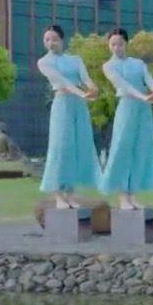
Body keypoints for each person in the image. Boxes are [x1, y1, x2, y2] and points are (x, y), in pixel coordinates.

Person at [98, 28, 153, 210]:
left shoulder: (138, 63)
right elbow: (123, 85)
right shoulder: (108, 66)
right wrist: (144, 97)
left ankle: (132, 195)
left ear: (126, 43)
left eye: (120, 44)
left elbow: (148, 80)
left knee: (140, 149)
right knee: (123, 149)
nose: (116, 47)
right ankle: (123, 197)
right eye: (113, 44)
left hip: (143, 110)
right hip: (127, 106)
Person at [36, 24, 101, 209]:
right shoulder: (44, 62)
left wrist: (92, 88)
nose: (51, 43)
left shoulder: (75, 60)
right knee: (61, 147)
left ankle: (70, 194)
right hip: (62, 103)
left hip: (79, 106)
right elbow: (62, 82)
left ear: (62, 40)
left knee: (78, 147)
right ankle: (58, 195)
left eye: (54, 39)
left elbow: (85, 78)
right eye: (47, 40)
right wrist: (82, 94)